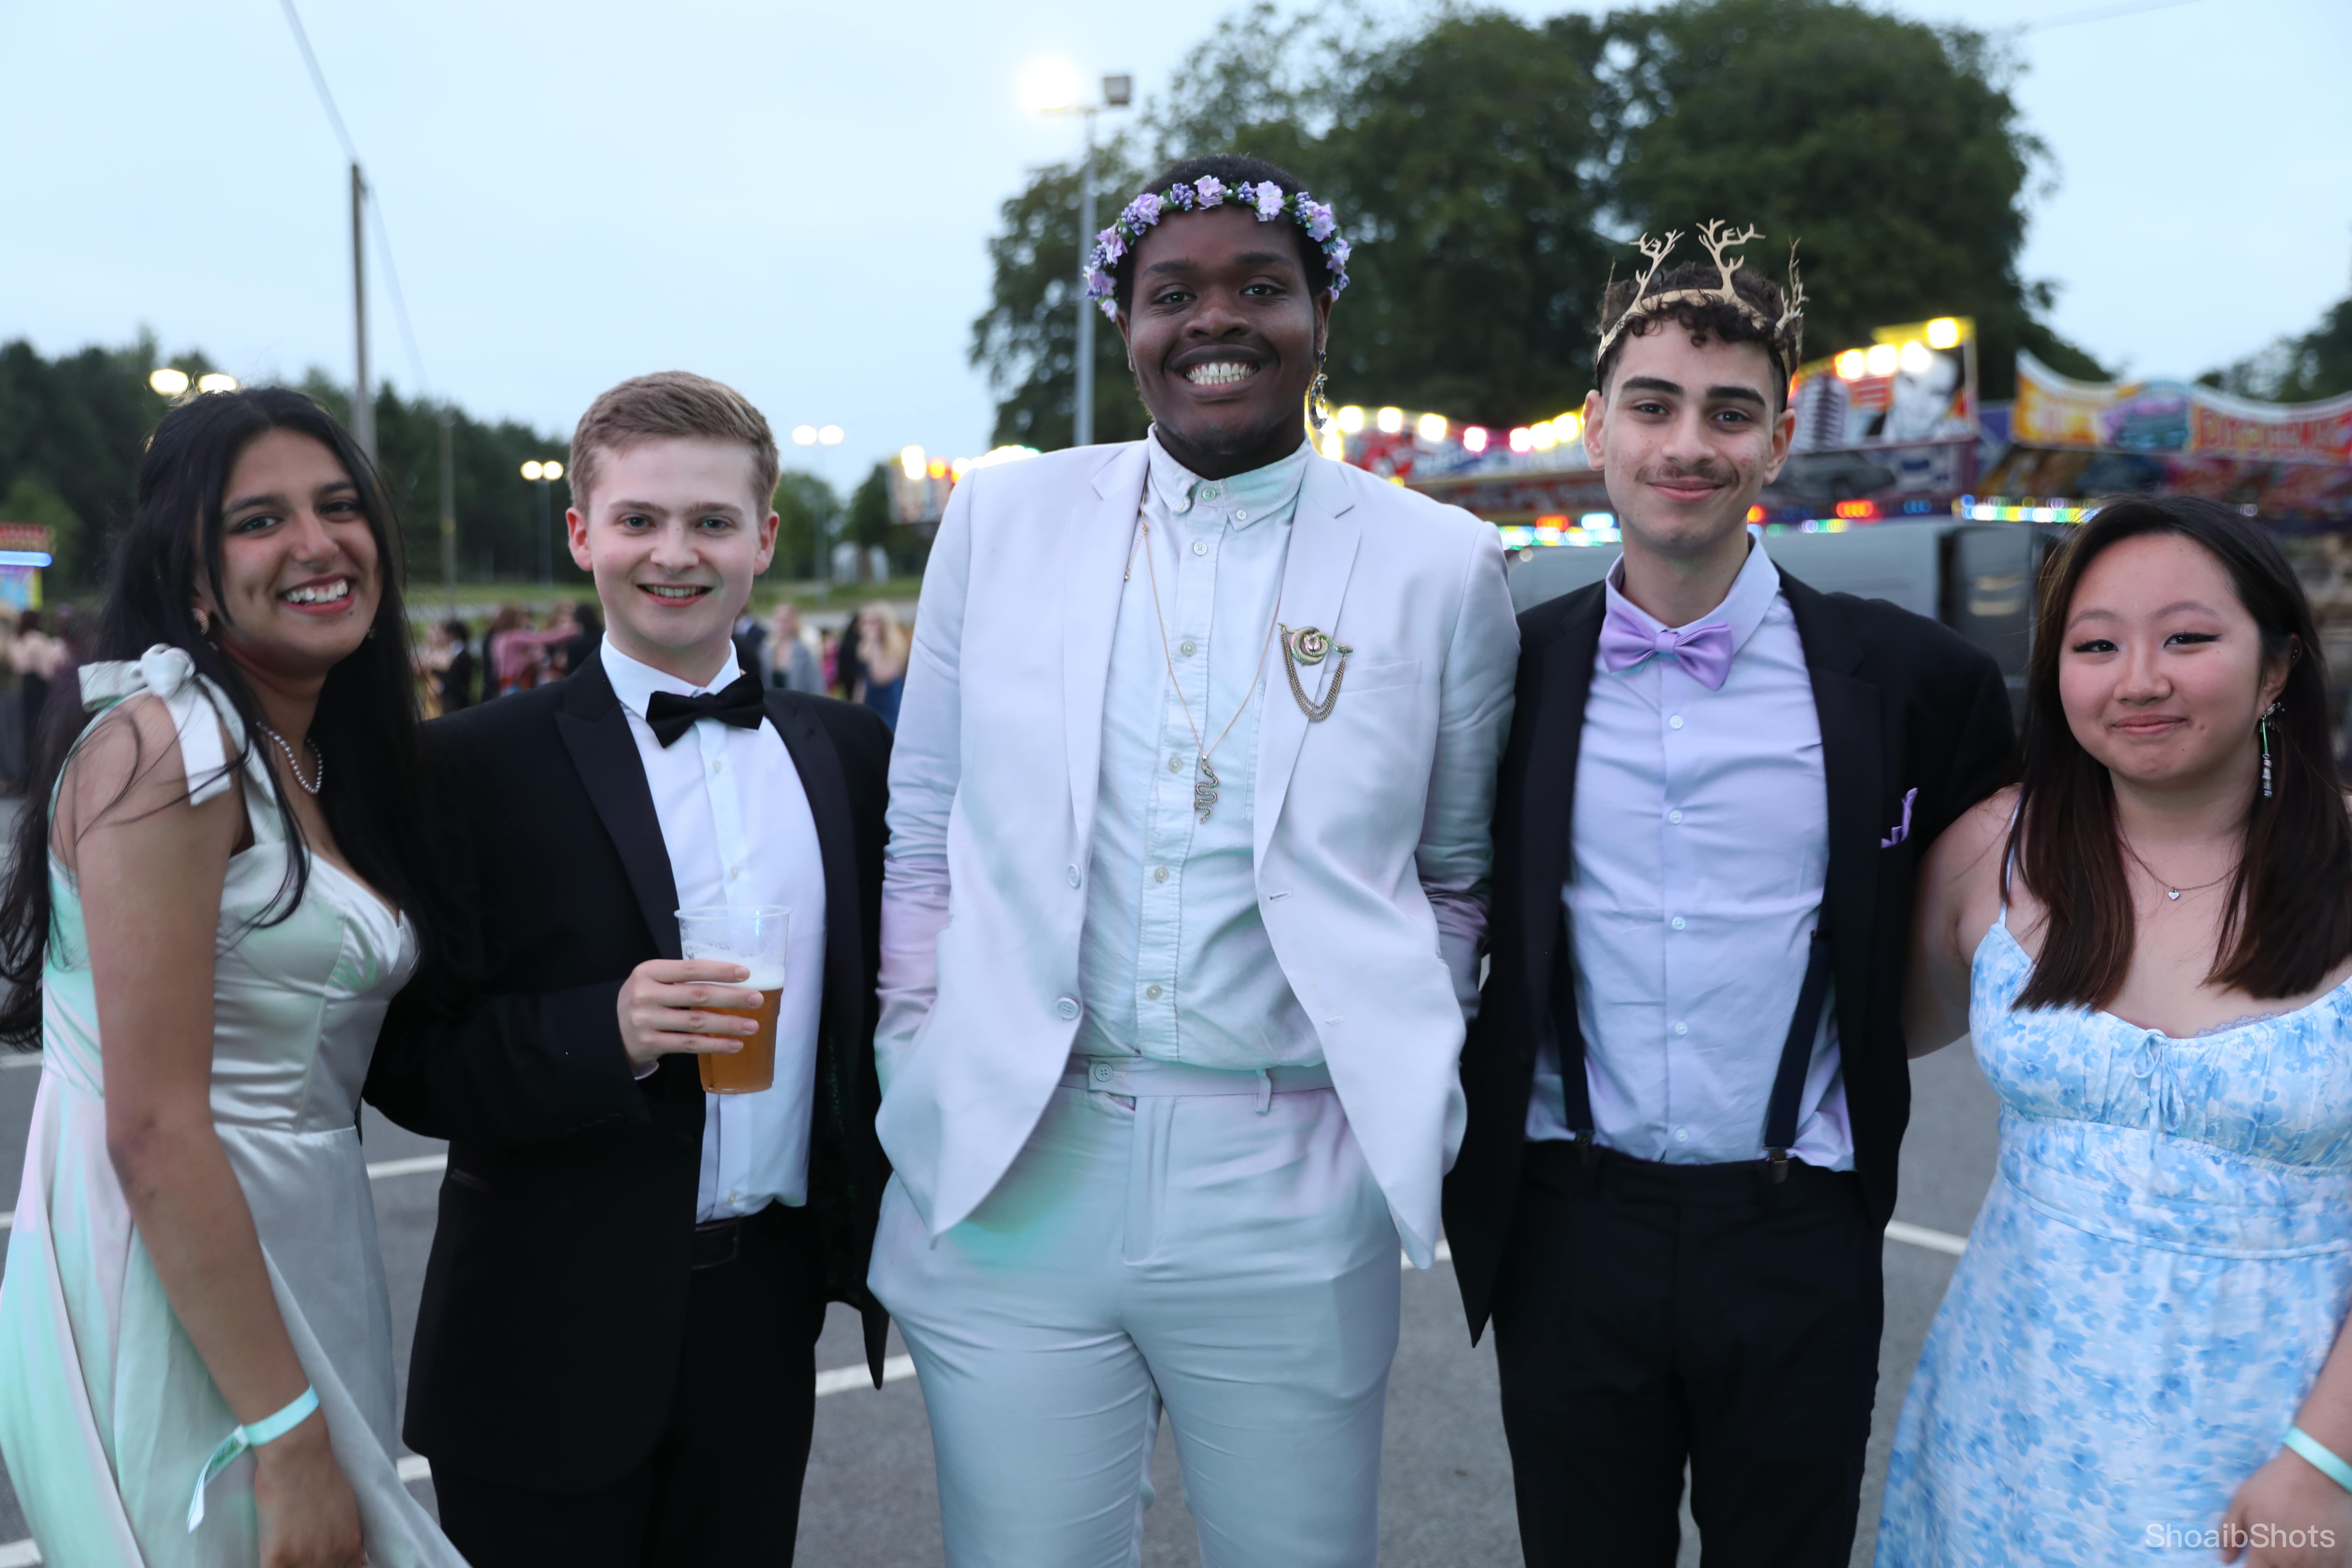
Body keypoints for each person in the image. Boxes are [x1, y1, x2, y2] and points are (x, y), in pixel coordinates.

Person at [870, 153, 1517, 1566]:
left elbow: (1455, 874)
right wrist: (913, 1045)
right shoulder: (1002, 521)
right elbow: (923, 826)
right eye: (1174, 293)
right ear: (1127, 323)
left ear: (1321, 317)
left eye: (1260, 288)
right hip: (1016, 1160)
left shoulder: (1439, 562)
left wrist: (1388, 1085)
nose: (1215, 320)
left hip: (1287, 1172)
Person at [1440, 222, 2015, 1565]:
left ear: (1778, 439)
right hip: (1567, 1226)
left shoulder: (1912, 681)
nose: (1685, 443)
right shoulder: (1505, 670)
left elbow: (1987, 910)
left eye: (1728, 412)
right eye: (1651, 406)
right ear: (1596, 427)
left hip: (1797, 1230)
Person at [365, 371, 892, 1565]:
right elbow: (407, 1061)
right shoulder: (472, 765)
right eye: (640, 520)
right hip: (543, 1330)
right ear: (581, 534)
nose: (675, 554)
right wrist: (602, 1030)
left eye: (712, 522)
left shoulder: (851, 751)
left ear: (765, 538)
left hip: (764, 1317)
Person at [0, 387, 461, 1564]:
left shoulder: (302, 749)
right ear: (194, 580)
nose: (317, 542)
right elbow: (152, 1130)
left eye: (340, 507)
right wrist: (288, 1436)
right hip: (184, 1288)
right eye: (260, 521)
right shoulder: (169, 749)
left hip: (300, 1243)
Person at [1878, 497, 2352, 1566]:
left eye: (2186, 638)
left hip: (2277, 1452)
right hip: (2006, 1434)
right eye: (2095, 646)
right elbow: (1845, 1043)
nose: (2138, 680)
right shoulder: (1991, 853)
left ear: (2277, 667)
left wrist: (2325, 1465)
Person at [852, 601, 906, 729]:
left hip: (890, 707)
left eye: (872, 622)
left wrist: (874, 642)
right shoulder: (865, 646)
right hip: (870, 705)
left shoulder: (895, 646)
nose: (866, 627)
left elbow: (881, 677)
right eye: (864, 622)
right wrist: (855, 709)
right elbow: (863, 681)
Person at [768, 602, 822, 694]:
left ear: (794, 622)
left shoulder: (804, 651)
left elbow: (815, 685)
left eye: (785, 621)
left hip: (798, 701)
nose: (781, 625)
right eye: (779, 621)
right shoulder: (768, 651)